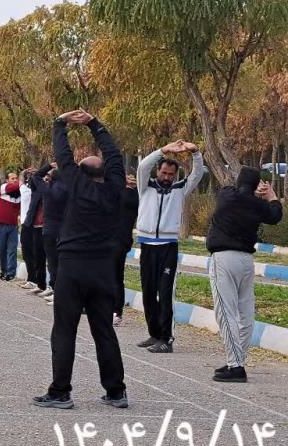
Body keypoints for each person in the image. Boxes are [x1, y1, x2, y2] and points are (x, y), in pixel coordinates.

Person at [33, 109, 127, 410]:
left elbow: (63, 156)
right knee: (104, 330)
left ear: (81, 172)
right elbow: (114, 156)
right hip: (103, 269)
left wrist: (60, 123)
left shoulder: (75, 184)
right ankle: (116, 392)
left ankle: (61, 391)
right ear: (105, 173)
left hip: (73, 266)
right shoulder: (115, 190)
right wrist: (95, 125)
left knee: (64, 329)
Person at [206, 169, 282, 383]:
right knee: (245, 312)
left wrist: (251, 191)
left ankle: (236, 365)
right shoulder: (258, 206)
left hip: (223, 258)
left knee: (226, 312)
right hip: (246, 261)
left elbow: (233, 189)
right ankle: (237, 360)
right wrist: (271, 196)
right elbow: (276, 215)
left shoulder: (227, 195)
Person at [135, 139, 204, 353]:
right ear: (158, 171)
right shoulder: (145, 185)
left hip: (168, 247)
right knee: (148, 292)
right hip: (147, 245)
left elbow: (197, 174)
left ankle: (166, 338)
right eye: (164, 173)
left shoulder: (179, 189)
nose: (167, 177)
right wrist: (162, 150)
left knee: (164, 294)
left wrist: (195, 153)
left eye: (171, 174)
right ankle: (154, 334)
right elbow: (142, 166)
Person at [34, 164, 68, 304]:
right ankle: (58, 290)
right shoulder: (67, 190)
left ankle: (57, 291)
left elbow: (36, 176)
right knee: (61, 262)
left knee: (53, 262)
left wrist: (48, 165)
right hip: (64, 229)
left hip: (49, 230)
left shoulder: (47, 190)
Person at [113, 174, 139, 325]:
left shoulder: (131, 195)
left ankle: (117, 311)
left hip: (119, 241)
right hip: (109, 239)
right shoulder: (117, 192)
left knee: (116, 277)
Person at [19, 167, 46, 293]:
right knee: (30, 253)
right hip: (29, 223)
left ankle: (34, 280)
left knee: (32, 254)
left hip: (33, 225)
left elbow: (21, 180)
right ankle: (33, 279)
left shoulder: (38, 191)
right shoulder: (28, 189)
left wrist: (24, 172)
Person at [0, 172, 21, 281]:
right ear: (7, 180)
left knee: (12, 250)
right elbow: (17, 186)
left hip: (13, 226)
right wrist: (22, 182)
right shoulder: (3, 188)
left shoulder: (19, 193)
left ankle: (11, 273)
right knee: (2, 250)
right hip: (0, 225)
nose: (15, 180)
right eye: (12, 178)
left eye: (16, 178)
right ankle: (3, 271)